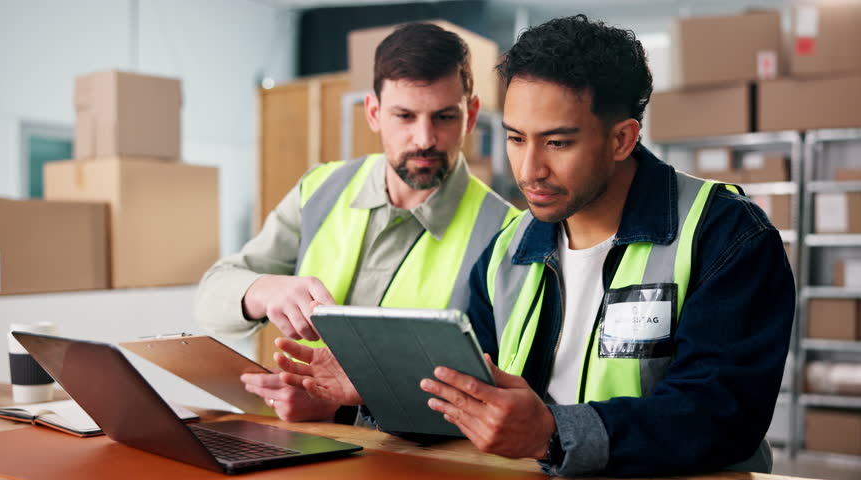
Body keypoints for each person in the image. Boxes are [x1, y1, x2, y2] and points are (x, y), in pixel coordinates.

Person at [274, 15, 795, 477]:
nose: (529, 170)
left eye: (557, 142)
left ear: (622, 139)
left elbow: (721, 415)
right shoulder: (509, 249)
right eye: (516, 138)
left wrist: (552, 433)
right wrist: (373, 389)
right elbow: (472, 399)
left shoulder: (726, 235)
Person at [194, 22, 519, 423]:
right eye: (404, 116)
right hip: (300, 444)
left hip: (414, 455)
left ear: (470, 116)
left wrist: (340, 410)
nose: (424, 138)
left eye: (444, 117)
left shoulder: (505, 233)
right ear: (374, 113)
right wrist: (264, 290)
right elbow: (210, 299)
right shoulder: (320, 189)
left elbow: (497, 400)